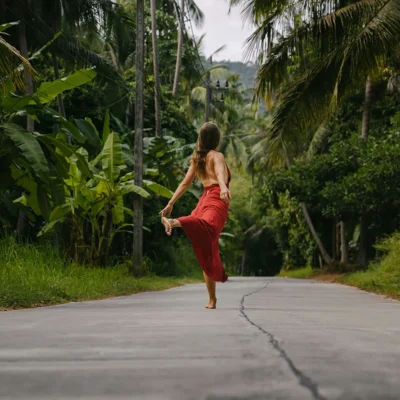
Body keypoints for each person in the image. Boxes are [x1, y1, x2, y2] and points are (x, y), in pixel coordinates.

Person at [160, 122, 231, 310]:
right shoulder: (217, 155)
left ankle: (212, 300)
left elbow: (185, 183)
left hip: (204, 200)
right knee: (208, 227)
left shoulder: (197, 158)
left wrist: (171, 202)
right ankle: (176, 222)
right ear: (217, 139)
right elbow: (220, 173)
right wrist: (223, 188)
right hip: (215, 199)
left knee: (209, 248)